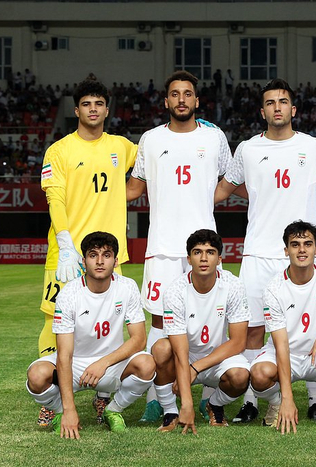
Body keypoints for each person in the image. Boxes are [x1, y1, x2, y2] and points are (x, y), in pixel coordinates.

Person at [215, 78, 316, 423]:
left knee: (309, 328)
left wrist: (311, 207)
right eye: (270, 102)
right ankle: (252, 400)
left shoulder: (313, 146)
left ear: (293, 109)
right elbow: (225, 188)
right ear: (262, 110)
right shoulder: (248, 149)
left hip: (301, 251)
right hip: (258, 252)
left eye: (283, 102)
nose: (277, 107)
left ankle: (315, 401)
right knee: (253, 329)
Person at [126, 70, 232, 422]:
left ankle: (210, 395)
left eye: (188, 93)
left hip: (203, 246)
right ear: (166, 101)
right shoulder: (151, 139)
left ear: (197, 100)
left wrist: (202, 201)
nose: (181, 99)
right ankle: (159, 399)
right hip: (163, 245)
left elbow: (229, 182)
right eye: (175, 94)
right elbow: (134, 188)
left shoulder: (214, 138)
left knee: (212, 316)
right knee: (160, 321)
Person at [38, 77, 137, 426]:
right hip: (67, 255)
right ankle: (53, 399)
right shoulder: (59, 150)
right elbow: (55, 198)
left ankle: (102, 395)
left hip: (110, 255)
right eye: (86, 104)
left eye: (98, 104)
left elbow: (154, 157)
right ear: (76, 110)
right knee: (54, 322)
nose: (92, 109)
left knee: (112, 324)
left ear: (107, 110)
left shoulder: (122, 146)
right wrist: (66, 244)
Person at [26, 232, 155, 439]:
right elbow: (64, 354)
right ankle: (60, 412)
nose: (100, 261)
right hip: (75, 364)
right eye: (93, 255)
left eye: (107, 255)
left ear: (116, 261)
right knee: (36, 375)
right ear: (84, 261)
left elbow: (139, 339)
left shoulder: (127, 286)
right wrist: (69, 409)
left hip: (110, 364)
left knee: (147, 364)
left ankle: (113, 410)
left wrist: (103, 362)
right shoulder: (69, 294)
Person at [248, 221, 316, 433]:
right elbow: (281, 345)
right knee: (260, 374)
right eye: (295, 244)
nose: (301, 250)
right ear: (286, 250)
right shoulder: (274, 289)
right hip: (286, 356)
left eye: (307, 244)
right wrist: (287, 399)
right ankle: (276, 404)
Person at [152, 229, 250, 433]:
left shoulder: (233, 285)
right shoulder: (175, 291)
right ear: (189, 259)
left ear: (219, 259)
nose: (204, 258)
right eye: (197, 252)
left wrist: (195, 368)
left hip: (218, 355)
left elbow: (239, 342)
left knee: (240, 376)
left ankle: (214, 404)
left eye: (210, 252)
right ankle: (171, 411)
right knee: (161, 348)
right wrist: (186, 404)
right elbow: (180, 351)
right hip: (185, 355)